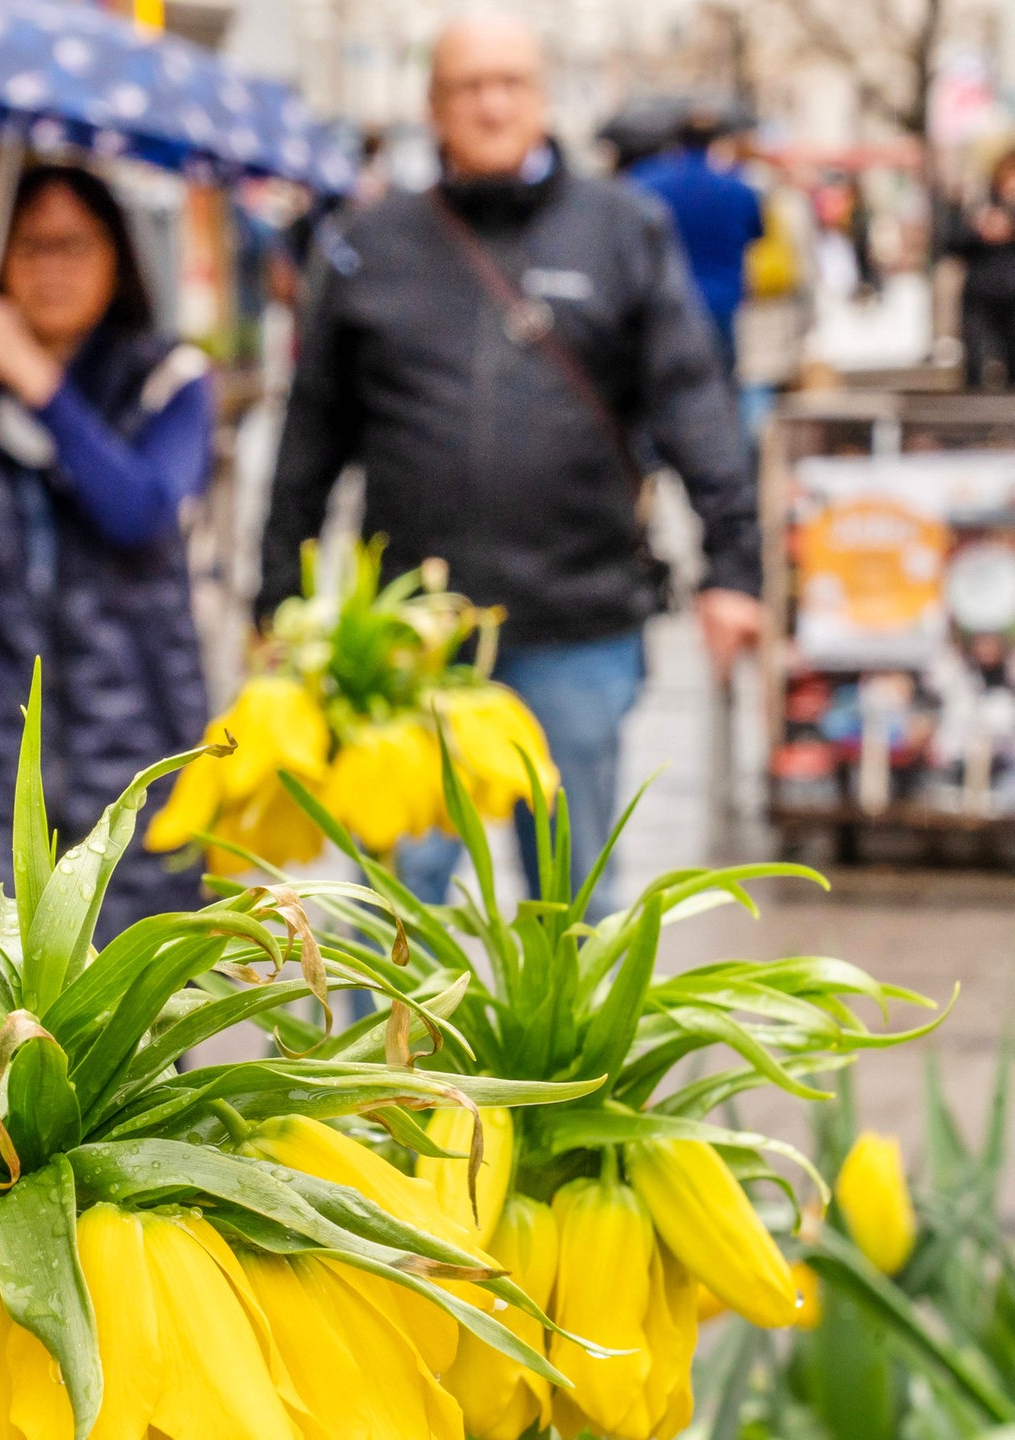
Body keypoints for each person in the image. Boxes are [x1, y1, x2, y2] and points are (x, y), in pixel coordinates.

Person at [262, 14, 762, 914]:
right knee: (392, 908)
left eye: (510, 83)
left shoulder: (623, 229)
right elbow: (312, 434)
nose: (491, 102)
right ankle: (383, 1062)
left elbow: (694, 400)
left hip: (578, 622)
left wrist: (735, 566)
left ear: (543, 98)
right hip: (410, 646)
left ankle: (571, 1067)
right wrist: (275, 596)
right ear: (433, 106)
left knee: (572, 904)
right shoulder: (371, 244)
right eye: (467, 85)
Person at [0, 166, 214, 934]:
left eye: (74, 245)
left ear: (118, 257)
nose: (51, 268)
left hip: (137, 754)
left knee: (142, 1019)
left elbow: (140, 514)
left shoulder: (169, 379)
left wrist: (37, 381)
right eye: (32, 247)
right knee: (1, 1016)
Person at [629, 118, 764, 378]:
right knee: (722, 382)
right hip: (722, 300)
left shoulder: (645, 183)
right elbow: (755, 235)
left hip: (665, 301)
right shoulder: (739, 188)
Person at [949, 151, 1015, 390]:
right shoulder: (981, 205)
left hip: (1010, 294)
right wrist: (978, 231)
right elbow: (952, 243)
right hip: (980, 293)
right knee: (974, 365)